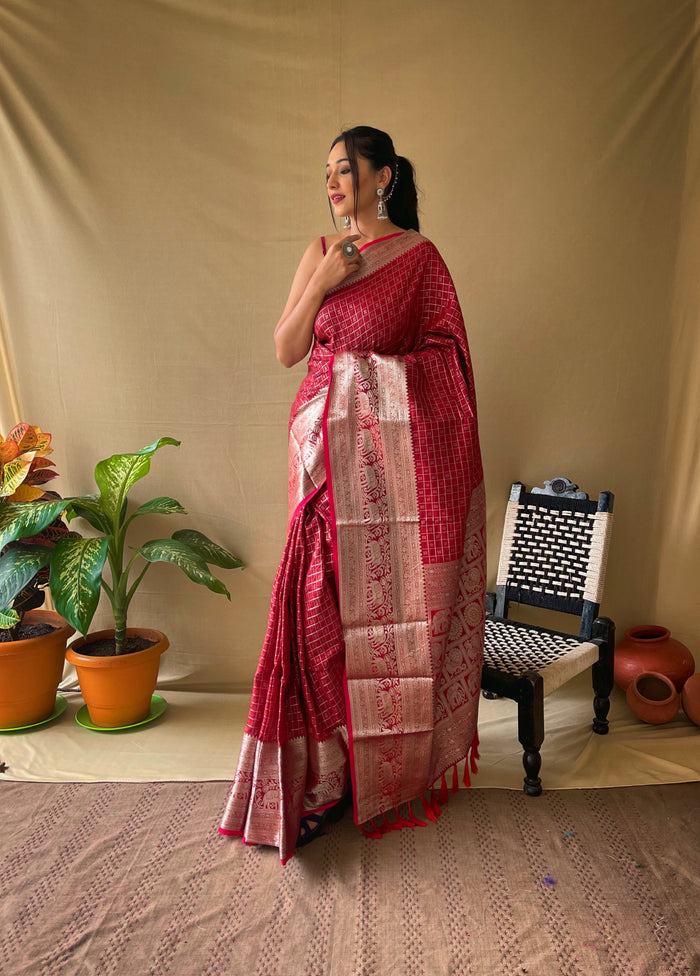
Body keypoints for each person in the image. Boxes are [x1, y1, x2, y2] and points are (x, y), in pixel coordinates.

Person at [219, 126, 485, 864]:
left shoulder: (420, 261)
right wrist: (325, 279)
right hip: (320, 462)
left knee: (376, 622)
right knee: (314, 612)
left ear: (383, 176)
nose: (333, 183)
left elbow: (448, 364)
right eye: (327, 173)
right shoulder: (321, 251)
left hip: (387, 479)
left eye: (345, 169)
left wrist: (366, 379)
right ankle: (319, 780)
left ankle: (369, 772)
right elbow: (287, 349)